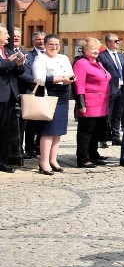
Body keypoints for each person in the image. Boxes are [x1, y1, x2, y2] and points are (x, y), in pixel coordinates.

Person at [31, 34, 76, 175]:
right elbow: (39, 78)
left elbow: (70, 73)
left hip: (63, 95)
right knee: (48, 130)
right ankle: (43, 162)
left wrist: (70, 79)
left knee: (58, 131)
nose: (54, 47)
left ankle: (53, 160)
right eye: (51, 44)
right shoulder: (40, 59)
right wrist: (60, 78)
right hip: (50, 94)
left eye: (57, 44)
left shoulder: (64, 58)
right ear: (45, 45)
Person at [73, 37, 112, 168]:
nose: (96, 51)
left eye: (97, 48)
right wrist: (81, 104)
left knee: (96, 131)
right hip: (90, 103)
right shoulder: (81, 63)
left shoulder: (98, 62)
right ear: (84, 50)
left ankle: (93, 154)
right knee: (86, 132)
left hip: (101, 104)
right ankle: (83, 158)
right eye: (92, 48)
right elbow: (79, 85)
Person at [0, 26, 26, 173]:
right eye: (6, 34)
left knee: (6, 131)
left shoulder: (9, 51)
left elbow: (18, 72)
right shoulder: (7, 55)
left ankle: (3, 160)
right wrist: (9, 62)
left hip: (10, 96)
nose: (9, 37)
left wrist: (19, 64)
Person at [21, 31, 46, 158]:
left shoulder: (52, 55)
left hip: (48, 93)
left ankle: (41, 147)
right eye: (38, 39)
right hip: (32, 91)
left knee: (45, 120)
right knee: (30, 123)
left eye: (43, 39)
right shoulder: (28, 55)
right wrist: (35, 81)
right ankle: (29, 148)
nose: (41, 41)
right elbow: (23, 73)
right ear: (33, 41)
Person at [99, 33, 124, 148]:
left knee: (117, 115)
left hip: (122, 88)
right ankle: (103, 138)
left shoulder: (121, 56)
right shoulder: (102, 56)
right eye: (115, 41)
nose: (118, 42)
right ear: (108, 42)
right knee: (107, 115)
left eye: (118, 40)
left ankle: (116, 137)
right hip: (110, 89)